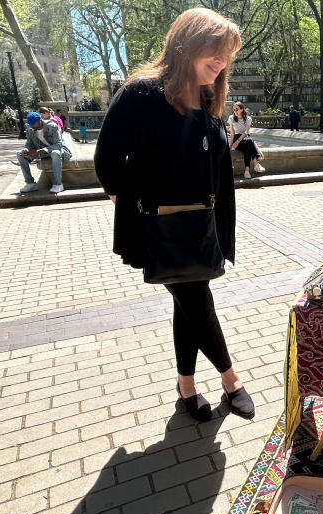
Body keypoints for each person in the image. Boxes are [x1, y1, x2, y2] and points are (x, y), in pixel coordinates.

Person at [93, 8, 253, 423]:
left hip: (201, 224)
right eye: (215, 51)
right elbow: (107, 156)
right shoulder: (142, 92)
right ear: (188, 44)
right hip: (159, 227)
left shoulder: (207, 96)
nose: (221, 62)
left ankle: (186, 385)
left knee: (189, 303)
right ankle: (231, 380)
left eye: (227, 55)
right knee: (198, 302)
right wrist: (128, 205)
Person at [17, 111, 72, 193]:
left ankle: (58, 184)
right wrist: (26, 150)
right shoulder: (30, 128)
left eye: (33, 124)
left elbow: (58, 144)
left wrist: (42, 151)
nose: (32, 126)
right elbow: (29, 144)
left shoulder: (52, 126)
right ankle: (30, 183)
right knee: (20, 154)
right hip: (41, 152)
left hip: (58, 150)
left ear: (39, 121)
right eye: (30, 124)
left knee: (55, 153)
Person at [229, 101, 265, 178]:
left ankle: (247, 172)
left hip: (245, 138)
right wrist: (230, 145)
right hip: (237, 138)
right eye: (234, 109)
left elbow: (246, 132)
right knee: (249, 142)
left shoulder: (248, 118)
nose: (235, 111)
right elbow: (232, 133)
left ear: (242, 109)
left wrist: (239, 141)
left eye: (237, 109)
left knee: (248, 146)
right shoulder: (231, 118)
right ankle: (255, 165)